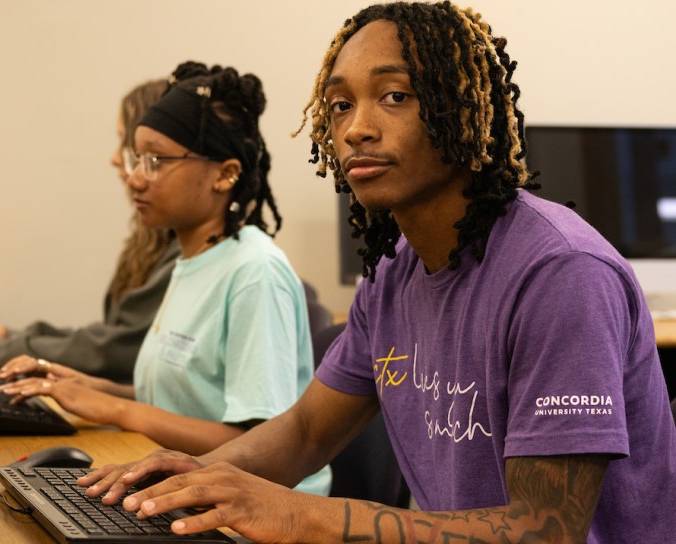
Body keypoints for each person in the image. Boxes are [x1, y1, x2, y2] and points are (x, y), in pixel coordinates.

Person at [76, 3, 676, 542]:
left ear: (462, 108)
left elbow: (544, 532)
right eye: (340, 105)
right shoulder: (393, 273)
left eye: (395, 96)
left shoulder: (560, 274)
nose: (356, 128)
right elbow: (307, 432)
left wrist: (298, 513)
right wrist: (192, 477)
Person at [0, 61, 330, 496]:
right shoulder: (193, 259)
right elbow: (193, 395)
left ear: (226, 173)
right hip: (190, 486)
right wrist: (90, 388)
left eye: (156, 161)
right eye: (138, 158)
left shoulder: (254, 272)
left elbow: (257, 448)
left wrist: (117, 410)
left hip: (252, 512)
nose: (135, 177)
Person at [0, 79, 180, 382]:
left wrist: (1, 347)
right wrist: (9, 336)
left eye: (126, 144)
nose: (116, 159)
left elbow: (114, 349)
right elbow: (109, 339)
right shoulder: (151, 239)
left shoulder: (188, 251)